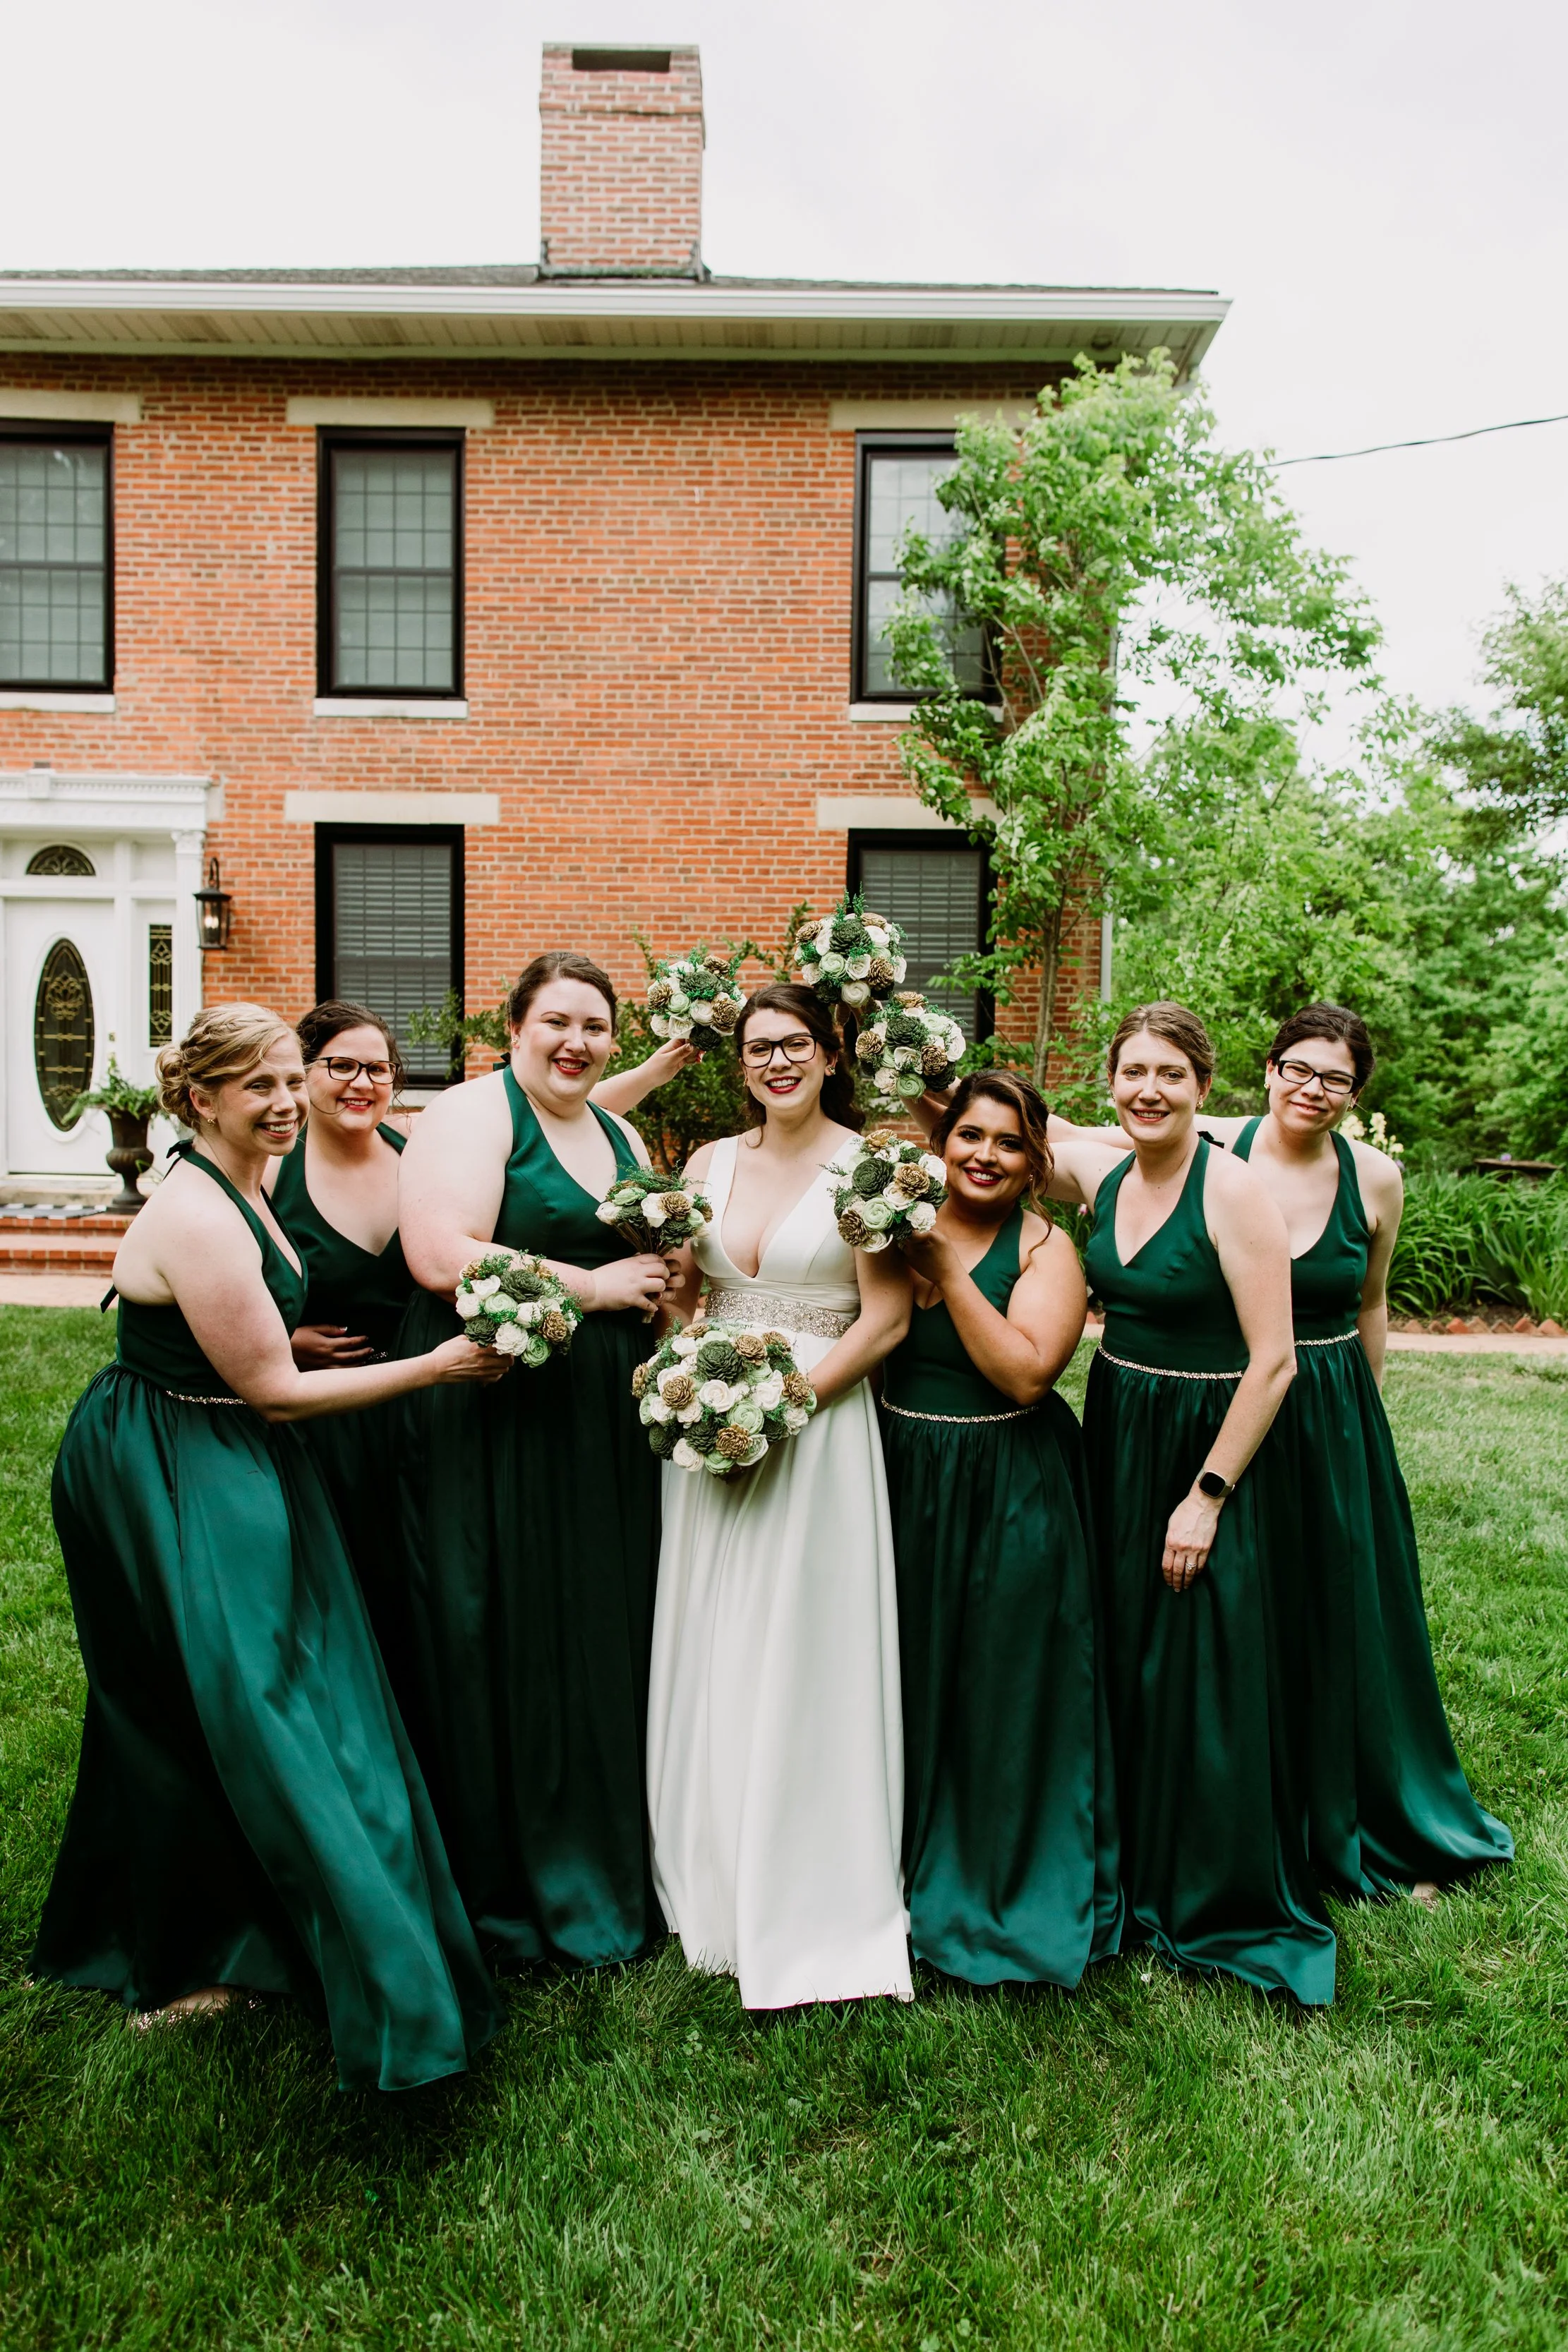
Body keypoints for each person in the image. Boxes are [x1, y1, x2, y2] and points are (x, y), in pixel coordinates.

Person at [32, 1005, 507, 2090]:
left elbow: (245, 1334)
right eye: (262, 1086)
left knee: (235, 1692)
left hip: (221, 1440)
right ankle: (202, 1948)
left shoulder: (246, 1174)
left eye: (292, 1078)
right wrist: (436, 1369)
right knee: (243, 1698)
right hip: (167, 1462)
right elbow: (279, 1393)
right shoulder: (198, 1209)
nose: (289, 1101)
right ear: (201, 1100)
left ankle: (235, 1926)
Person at [1181, 1005, 1510, 1898]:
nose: (1310, 1089)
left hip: (1328, 1406)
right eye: (1296, 1067)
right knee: (1239, 1605)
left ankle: (1362, 1801)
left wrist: (1360, 1415)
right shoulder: (1208, 1146)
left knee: (1337, 1606)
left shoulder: (1376, 1177)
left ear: (1353, 1093)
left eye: (1334, 1079)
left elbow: (1370, 1298)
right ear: (1269, 1066)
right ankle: (1244, 1798)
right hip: (1229, 1399)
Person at [1044, 1002, 1337, 2005]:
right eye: (1132, 1071)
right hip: (1120, 1427)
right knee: (1125, 1645)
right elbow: (993, 1126)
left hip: (1212, 1442)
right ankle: (1124, 1850)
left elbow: (1276, 1362)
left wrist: (1206, 1496)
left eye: (1170, 1074)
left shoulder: (1233, 1189)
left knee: (1207, 1658)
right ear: (1110, 1082)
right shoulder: (1104, 1170)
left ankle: (1207, 1874)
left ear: (1204, 1089)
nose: (1148, 1090)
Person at [395, 951, 673, 1970]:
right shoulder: (473, 1115)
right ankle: (510, 1872)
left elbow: (647, 1253)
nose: (577, 1042)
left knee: (596, 1614)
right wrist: (596, 1290)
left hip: (599, 1412)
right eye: (557, 1021)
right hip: (499, 1413)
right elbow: (436, 1249)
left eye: (596, 1026)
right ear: (512, 1026)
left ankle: (605, 1854)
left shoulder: (617, 1127)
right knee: (505, 1620)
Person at [648, 984, 914, 2010]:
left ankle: (804, 1877)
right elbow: (688, 1293)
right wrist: (690, 1384)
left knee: (803, 1641)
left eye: (795, 1044)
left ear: (832, 1049)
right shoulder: (708, 1162)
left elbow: (883, 1321)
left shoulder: (868, 1166)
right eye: (759, 1048)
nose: (776, 1063)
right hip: (711, 1430)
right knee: (713, 1631)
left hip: (817, 1431)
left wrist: (782, 1407)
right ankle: (706, 1868)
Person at [883, 1071, 1121, 1987]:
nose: (984, 1154)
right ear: (941, 1142)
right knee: (904, 1673)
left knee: (1001, 1683)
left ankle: (996, 1873)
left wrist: (947, 1268)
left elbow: (1025, 1374)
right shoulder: (892, 1221)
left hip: (1006, 1483)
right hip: (899, 1473)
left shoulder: (1045, 1248)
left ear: (1034, 1163)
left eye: (1008, 1142)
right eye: (968, 1135)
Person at [266, 1001, 421, 1703]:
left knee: (414, 1584)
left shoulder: (419, 1163)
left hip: (420, 1410)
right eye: (342, 1066)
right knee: (331, 1587)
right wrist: (289, 1338)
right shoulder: (270, 1174)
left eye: (378, 1069)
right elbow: (210, 1286)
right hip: (317, 1423)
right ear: (303, 1076)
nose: (362, 1083)